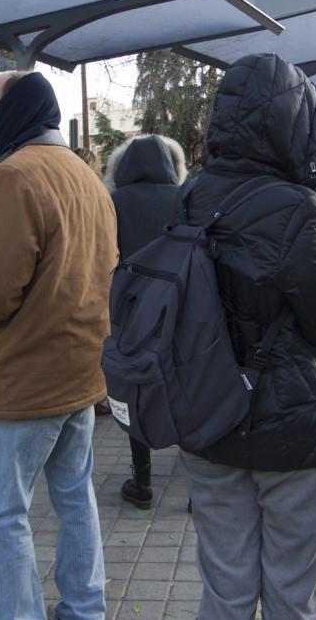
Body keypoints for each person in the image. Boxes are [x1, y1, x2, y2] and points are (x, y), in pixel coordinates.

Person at [179, 54, 316, 618]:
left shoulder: (188, 197)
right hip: (296, 429)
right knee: (291, 594)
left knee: (224, 590)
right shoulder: (295, 208)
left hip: (208, 418)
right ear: (291, 122)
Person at [0, 71, 115, 619]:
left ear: (15, 108)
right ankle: (85, 608)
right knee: (75, 498)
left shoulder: (15, 175)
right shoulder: (85, 175)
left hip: (23, 378)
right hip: (80, 370)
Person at [102, 134, 188, 511]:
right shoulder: (186, 198)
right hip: (183, 304)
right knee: (188, 387)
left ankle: (142, 481)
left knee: (136, 387)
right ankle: (195, 490)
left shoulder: (113, 202)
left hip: (130, 307)